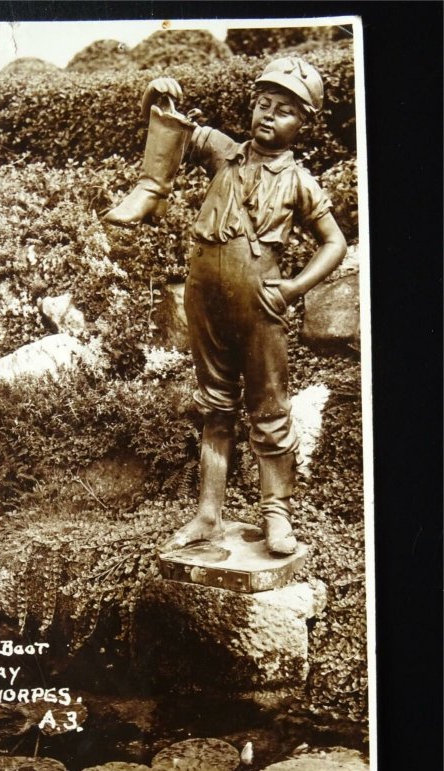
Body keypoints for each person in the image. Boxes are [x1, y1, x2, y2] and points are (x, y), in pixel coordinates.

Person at [105, 57, 347, 556]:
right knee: (214, 406)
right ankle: (207, 514)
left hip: (260, 306)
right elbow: (178, 131)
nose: (267, 116)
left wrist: (293, 287)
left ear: (303, 123)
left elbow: (334, 243)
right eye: (262, 104)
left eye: (283, 111)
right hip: (205, 299)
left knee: (268, 409)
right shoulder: (224, 153)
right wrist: (159, 97)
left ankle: (275, 513)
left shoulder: (300, 181)